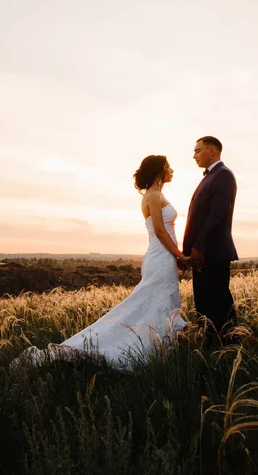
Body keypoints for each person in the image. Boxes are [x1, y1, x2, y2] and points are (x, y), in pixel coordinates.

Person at [11, 155, 188, 371]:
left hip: (163, 257)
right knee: (149, 303)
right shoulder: (152, 195)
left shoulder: (157, 195)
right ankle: (132, 346)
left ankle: (159, 348)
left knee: (158, 303)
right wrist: (180, 255)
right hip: (160, 257)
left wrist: (176, 256)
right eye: (168, 166)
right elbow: (160, 231)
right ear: (159, 171)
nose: (172, 170)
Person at [183, 136, 238, 342]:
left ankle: (228, 346)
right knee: (204, 306)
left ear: (212, 151)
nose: (194, 155)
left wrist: (199, 247)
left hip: (212, 252)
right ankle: (210, 346)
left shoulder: (223, 175)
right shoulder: (209, 177)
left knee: (218, 305)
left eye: (198, 151)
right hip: (202, 254)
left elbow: (218, 214)